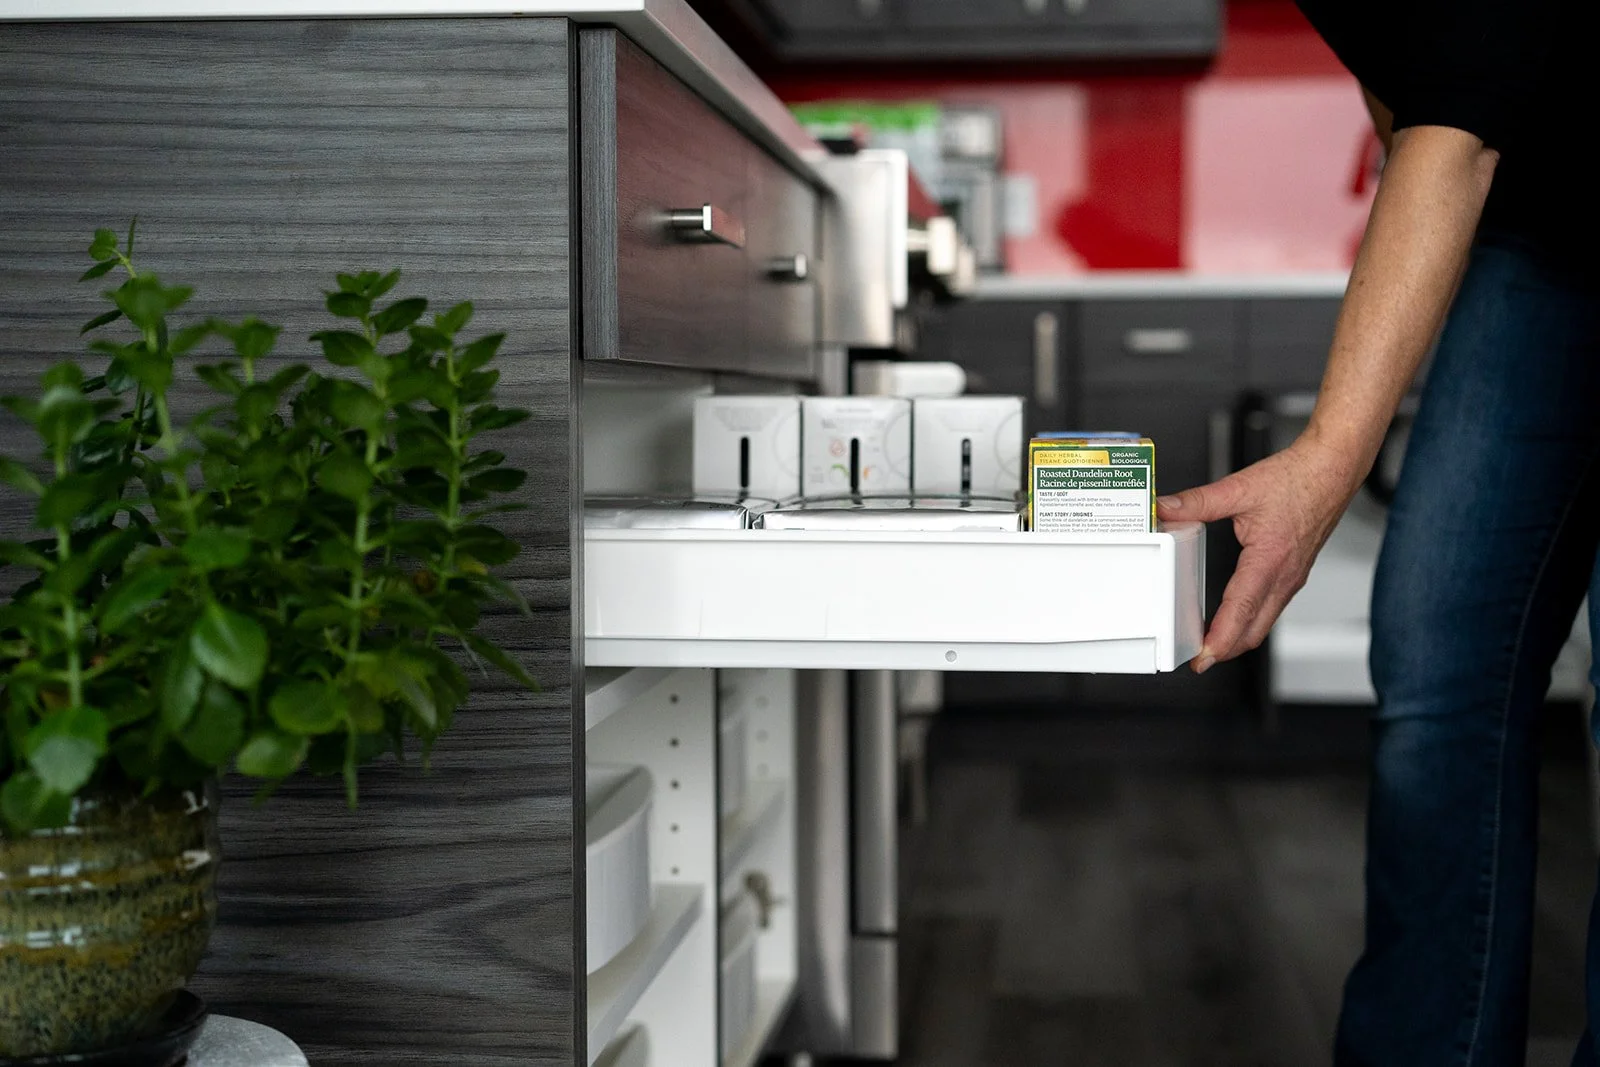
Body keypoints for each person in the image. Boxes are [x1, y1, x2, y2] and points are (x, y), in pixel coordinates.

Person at [1153, 1, 1600, 1063]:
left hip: (1505, 182)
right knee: (1440, 661)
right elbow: (1422, 91)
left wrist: (1322, 460)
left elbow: (1452, 134)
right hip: (1541, 237)